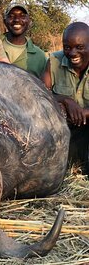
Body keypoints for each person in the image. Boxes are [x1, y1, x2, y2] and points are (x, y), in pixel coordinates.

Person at [42, 21, 89, 175]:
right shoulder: (54, 61)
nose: (72, 53)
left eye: (80, 47)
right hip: (64, 129)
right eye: (67, 47)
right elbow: (40, 96)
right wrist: (65, 100)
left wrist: (84, 113)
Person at [1, 3, 47, 78]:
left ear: (29, 21)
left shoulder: (40, 56)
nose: (17, 19)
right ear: (5, 21)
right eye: (11, 16)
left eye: (22, 16)